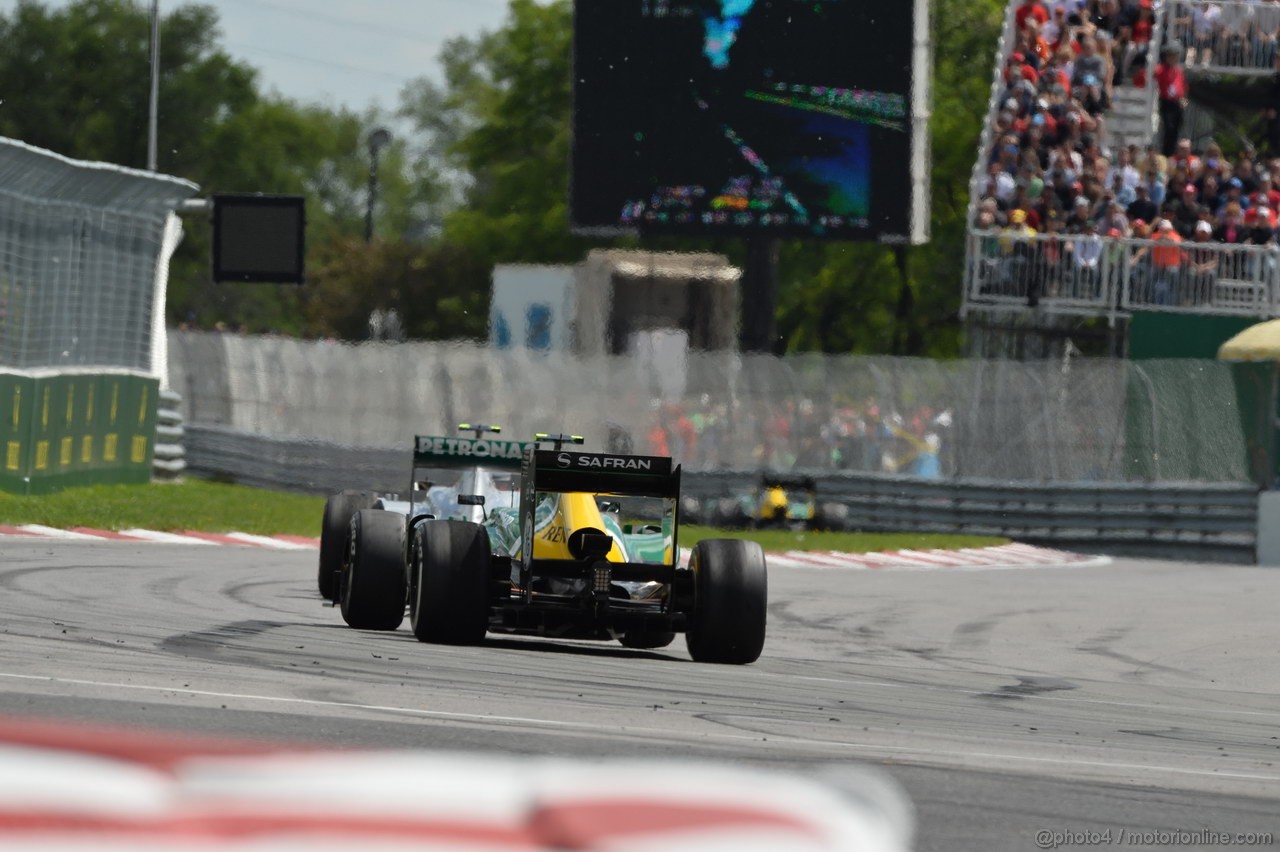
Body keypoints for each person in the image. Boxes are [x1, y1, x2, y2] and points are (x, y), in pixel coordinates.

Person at [1155, 45, 1189, 156]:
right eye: (1171, 56)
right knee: (1168, 127)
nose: (1173, 58)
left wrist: (1183, 98)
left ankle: (1173, 151)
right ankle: (1166, 152)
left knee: (1177, 127)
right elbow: (1156, 75)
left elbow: (1183, 85)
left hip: (1177, 102)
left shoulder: (1178, 71)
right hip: (1167, 101)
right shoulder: (1161, 69)